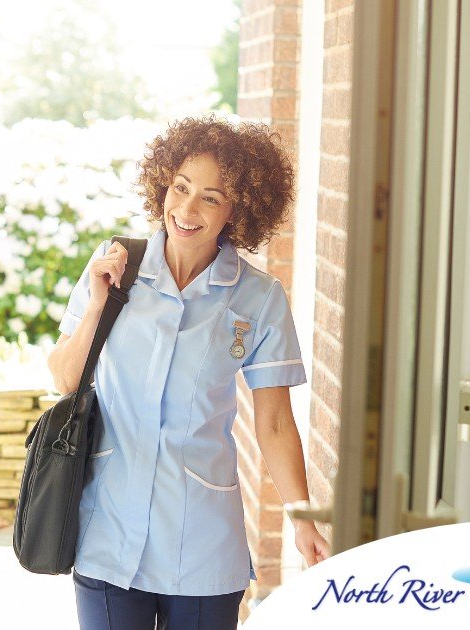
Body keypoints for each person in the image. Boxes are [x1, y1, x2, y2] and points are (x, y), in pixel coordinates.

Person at [47, 115, 331, 629]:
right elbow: (65, 378)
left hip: (201, 544)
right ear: (162, 183)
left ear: (237, 210)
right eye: (180, 187)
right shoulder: (115, 265)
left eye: (210, 197)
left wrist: (301, 517)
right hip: (107, 533)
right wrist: (96, 306)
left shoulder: (259, 298)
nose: (186, 209)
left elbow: (273, 422)